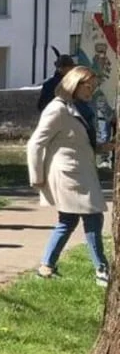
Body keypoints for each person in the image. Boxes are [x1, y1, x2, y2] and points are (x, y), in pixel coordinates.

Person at [28, 66, 113, 286]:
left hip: (81, 171)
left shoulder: (81, 108)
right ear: (74, 83)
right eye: (87, 86)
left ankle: (47, 266)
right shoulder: (57, 109)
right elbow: (35, 143)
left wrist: (106, 147)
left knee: (68, 220)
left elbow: (82, 142)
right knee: (93, 216)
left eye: (93, 87)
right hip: (68, 173)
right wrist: (36, 176)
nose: (91, 91)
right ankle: (101, 269)